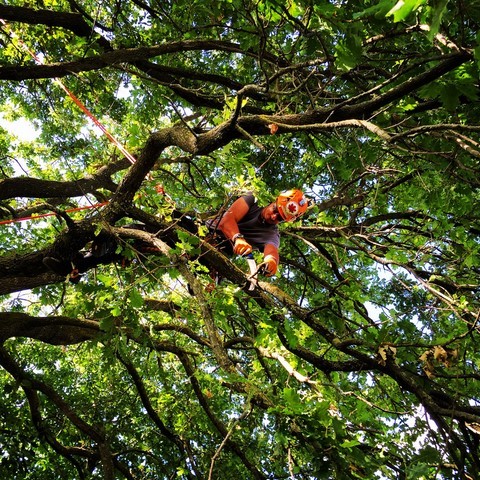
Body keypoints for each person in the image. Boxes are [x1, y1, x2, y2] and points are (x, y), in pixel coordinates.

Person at [206, 189, 308, 277]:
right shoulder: (253, 199)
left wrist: (271, 263)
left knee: (215, 270)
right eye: (275, 210)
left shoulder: (271, 235)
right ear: (274, 201)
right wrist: (238, 238)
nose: (274, 216)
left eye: (280, 218)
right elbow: (227, 220)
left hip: (224, 249)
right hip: (208, 230)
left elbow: (271, 252)